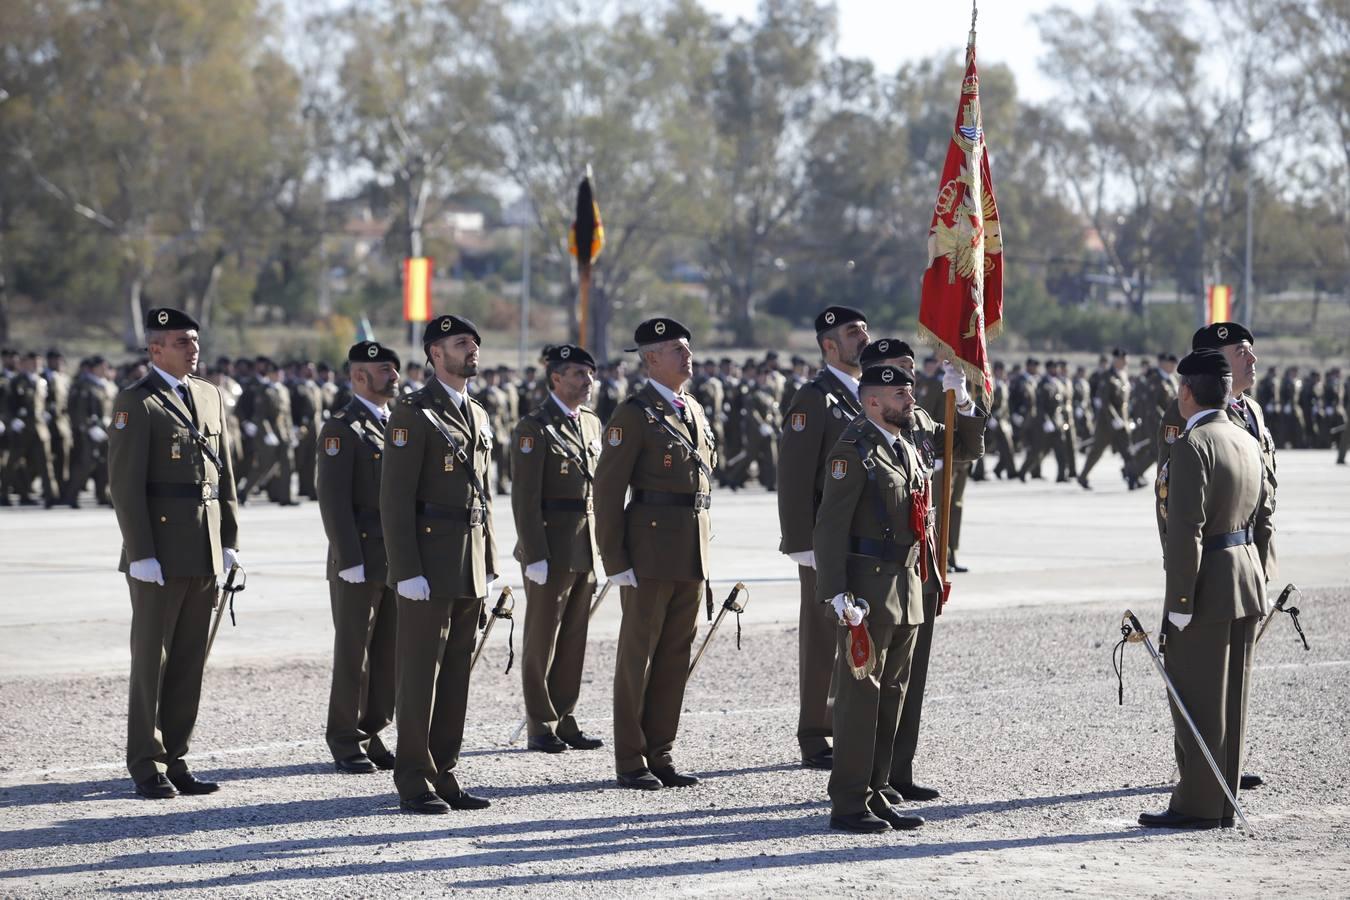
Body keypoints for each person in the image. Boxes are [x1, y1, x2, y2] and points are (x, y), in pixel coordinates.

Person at [107, 307, 241, 799]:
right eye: (181, 341)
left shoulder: (207, 395)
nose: (193, 348)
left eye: (194, 340)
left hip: (202, 549)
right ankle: (146, 762)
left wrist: (229, 541)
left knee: (188, 659)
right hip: (159, 554)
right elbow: (124, 486)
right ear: (155, 349)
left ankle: (176, 757)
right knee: (153, 661)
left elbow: (222, 474)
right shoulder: (137, 402)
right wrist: (141, 552)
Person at [1140, 348, 1271, 830]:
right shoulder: (1244, 439)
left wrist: (1179, 604)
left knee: (1195, 697)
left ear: (1187, 392)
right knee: (1232, 698)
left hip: (1208, 583)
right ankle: (1222, 798)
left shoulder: (1194, 445)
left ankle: (1198, 804)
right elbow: (1258, 516)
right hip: (1244, 576)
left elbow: (1186, 531)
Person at [858, 340, 985, 802]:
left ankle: (897, 770)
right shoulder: (860, 425)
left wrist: (966, 401)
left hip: (920, 564)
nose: (909, 383)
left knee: (908, 678)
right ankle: (867, 777)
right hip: (874, 567)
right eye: (897, 373)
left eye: (911, 373)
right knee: (871, 679)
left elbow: (964, 449)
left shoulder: (918, 420)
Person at [381, 314, 498, 814]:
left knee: (455, 673)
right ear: (434, 353)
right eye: (458, 343)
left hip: (468, 559)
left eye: (473, 341)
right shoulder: (413, 412)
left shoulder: (477, 411)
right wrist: (406, 570)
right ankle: (412, 777)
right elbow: (395, 498)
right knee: (420, 672)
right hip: (427, 561)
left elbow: (484, 495)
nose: (470, 348)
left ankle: (443, 770)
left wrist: (489, 560)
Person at [594, 317, 716, 791]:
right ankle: (631, 759)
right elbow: (607, 494)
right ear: (650, 359)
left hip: (690, 549)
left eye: (687, 346)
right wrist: (615, 561)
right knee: (637, 657)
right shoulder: (634, 414)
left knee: (674, 656)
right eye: (676, 348)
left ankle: (660, 751)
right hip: (647, 552)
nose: (687, 354)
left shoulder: (694, 411)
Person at [812, 364, 929, 833]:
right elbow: (829, 527)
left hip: (906, 585)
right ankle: (848, 801)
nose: (909, 398)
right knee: (860, 698)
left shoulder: (904, 448)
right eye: (900, 393)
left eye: (910, 390)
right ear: (873, 401)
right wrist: (836, 593)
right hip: (868, 588)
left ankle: (876, 790)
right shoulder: (853, 450)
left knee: (891, 698)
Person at [776, 305, 869, 770]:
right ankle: (814, 732)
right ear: (829, 345)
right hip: (823, 541)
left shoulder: (869, 395)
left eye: (865, 330)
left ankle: (844, 724)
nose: (864, 338)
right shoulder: (814, 398)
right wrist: (800, 543)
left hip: (865, 538)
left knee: (857, 629)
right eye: (854, 332)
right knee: (820, 640)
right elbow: (793, 475)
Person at [511, 344, 606, 754]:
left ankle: (565, 716)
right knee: (542, 640)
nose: (587, 383)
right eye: (578, 375)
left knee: (573, 639)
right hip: (549, 547)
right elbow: (525, 497)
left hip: (584, 546)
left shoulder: (590, 422)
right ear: (556, 379)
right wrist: (535, 555)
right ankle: (540, 723)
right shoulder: (535, 427)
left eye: (590, 375)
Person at [317, 341, 401, 775]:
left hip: (395, 555)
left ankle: (373, 730)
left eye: (394, 369)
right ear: (358, 377)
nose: (393, 376)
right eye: (383, 370)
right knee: (355, 652)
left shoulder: (398, 424)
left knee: (388, 651)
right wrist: (348, 557)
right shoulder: (341, 428)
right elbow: (333, 499)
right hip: (359, 555)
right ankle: (345, 737)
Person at [1079, 348, 1138, 490]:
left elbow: (1125, 402)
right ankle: (1082, 476)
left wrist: (1126, 418)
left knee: (1127, 451)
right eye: (1123, 360)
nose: (1126, 363)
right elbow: (1105, 402)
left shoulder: (1123, 376)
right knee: (1096, 452)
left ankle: (1133, 479)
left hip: (1121, 422)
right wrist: (1114, 418)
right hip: (1106, 424)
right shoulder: (1107, 376)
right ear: (1116, 360)